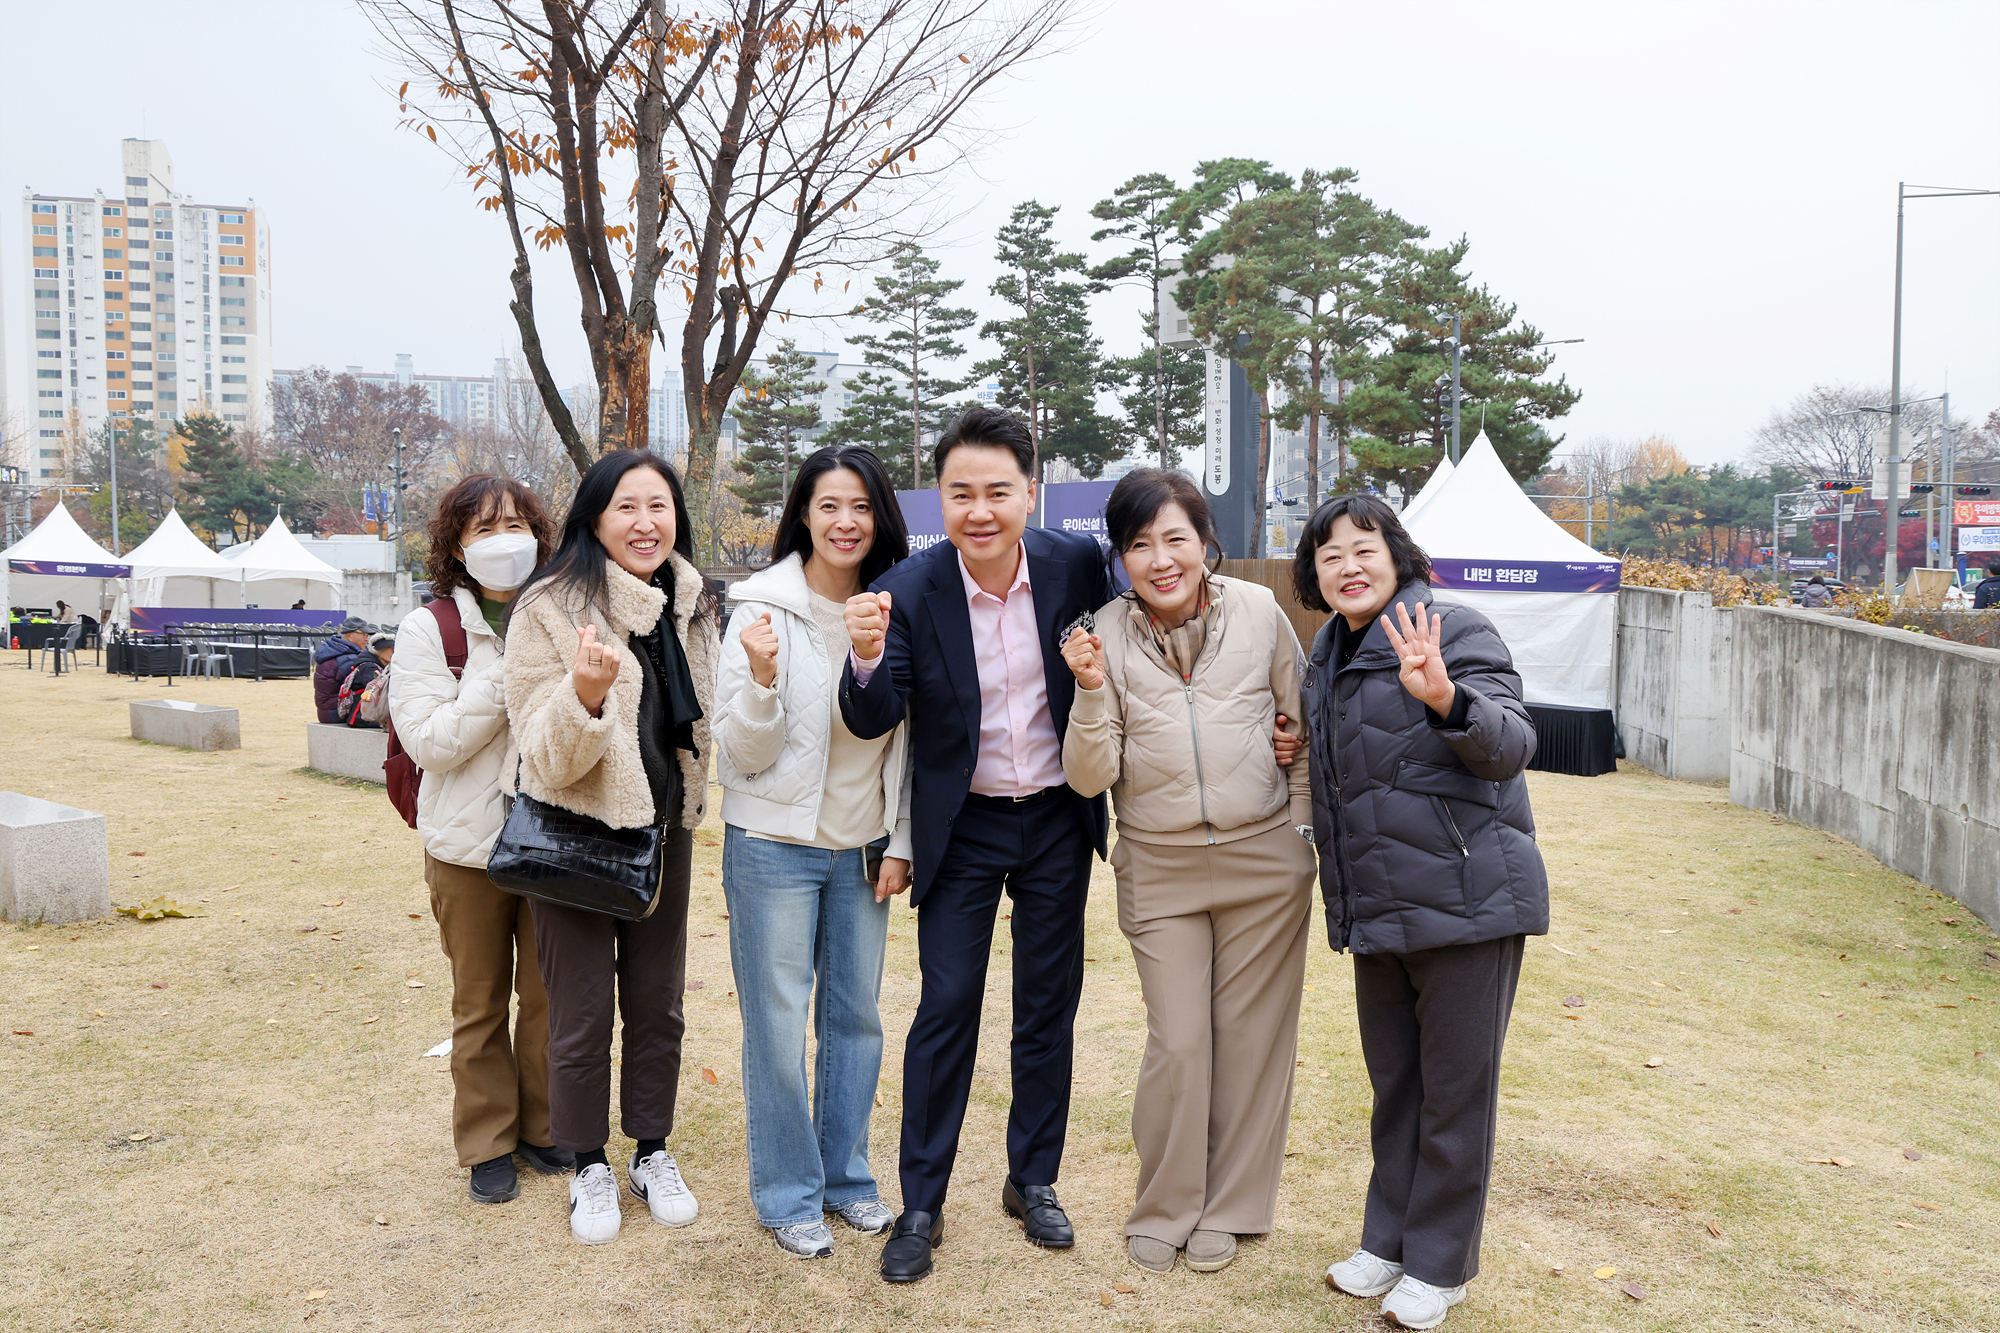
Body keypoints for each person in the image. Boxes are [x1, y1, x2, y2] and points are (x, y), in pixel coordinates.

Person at [837, 406, 1111, 1283]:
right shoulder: (911, 590)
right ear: (939, 500)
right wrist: (870, 658)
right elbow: (875, 715)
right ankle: (922, 1200)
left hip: (1058, 817)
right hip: (965, 825)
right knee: (946, 1005)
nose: (980, 509)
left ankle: (1033, 1179)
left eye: (999, 490)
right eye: (961, 493)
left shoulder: (1076, 566)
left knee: (1047, 1006)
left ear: (1031, 493)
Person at [1298, 495, 1548, 1332]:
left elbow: (1512, 743)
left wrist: (1446, 699)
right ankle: (1388, 1240)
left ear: (1397, 554)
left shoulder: (1454, 629)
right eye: (1328, 554)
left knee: (1455, 1093)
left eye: (1362, 546)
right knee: (1396, 1086)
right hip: (1379, 908)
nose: (1347, 565)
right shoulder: (1324, 656)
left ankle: (1440, 1264)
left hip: (1469, 905)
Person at [1057, 469, 1315, 1276]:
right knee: (1178, 1040)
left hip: (1264, 856)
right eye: (1140, 544)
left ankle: (1232, 1205)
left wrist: (1303, 829)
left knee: (1249, 1041)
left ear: (1205, 541)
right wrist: (1092, 689)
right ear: (1121, 557)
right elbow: (1088, 776)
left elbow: (1302, 724)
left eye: (1176, 538)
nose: (1161, 559)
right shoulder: (1101, 631)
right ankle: (1167, 1202)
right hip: (1160, 864)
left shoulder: (1260, 612)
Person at [505, 450, 719, 1248]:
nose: (645, 523)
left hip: (668, 833)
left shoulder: (692, 601)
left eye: (659, 506)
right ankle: (589, 1159)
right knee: (582, 1010)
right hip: (576, 841)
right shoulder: (549, 607)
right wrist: (585, 694)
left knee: (660, 1004)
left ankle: (652, 1150)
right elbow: (542, 753)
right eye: (627, 506)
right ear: (594, 517)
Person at [712, 446, 913, 1259]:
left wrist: (900, 840)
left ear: (880, 517)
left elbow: (912, 744)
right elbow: (739, 755)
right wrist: (760, 679)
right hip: (772, 846)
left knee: (856, 1020)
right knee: (778, 1022)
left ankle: (847, 1180)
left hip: (863, 845)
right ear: (803, 513)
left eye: (861, 506)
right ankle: (789, 1193)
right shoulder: (757, 609)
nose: (845, 521)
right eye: (829, 505)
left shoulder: (901, 605)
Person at [388, 473, 565, 1206]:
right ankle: (488, 1141)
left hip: (554, 838)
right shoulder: (431, 629)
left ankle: (548, 1126)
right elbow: (431, 742)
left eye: (515, 524)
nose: (503, 540)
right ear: (456, 545)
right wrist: (500, 674)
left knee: (552, 995)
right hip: (465, 847)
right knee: (480, 998)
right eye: (484, 528)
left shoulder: (563, 610)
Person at [313, 617, 374, 723]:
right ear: (350, 636)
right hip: (336, 712)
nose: (366, 639)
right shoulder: (348, 658)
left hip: (326, 711)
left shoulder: (333, 651)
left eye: (368, 635)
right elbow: (364, 684)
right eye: (363, 634)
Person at [339, 633, 396, 727]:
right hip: (362, 716)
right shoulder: (369, 667)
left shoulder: (376, 665)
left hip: (365, 714)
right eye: (390, 648)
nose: (393, 652)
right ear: (378, 650)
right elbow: (380, 692)